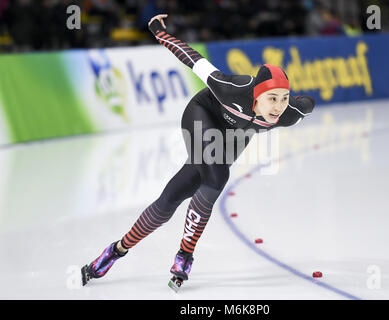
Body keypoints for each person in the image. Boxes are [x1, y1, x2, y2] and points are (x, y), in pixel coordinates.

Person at [81, 14, 315, 290]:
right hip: (201, 115)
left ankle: (115, 251)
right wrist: (159, 32)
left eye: (284, 99)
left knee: (169, 202)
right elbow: (193, 60)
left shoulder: (288, 114)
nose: (278, 107)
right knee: (216, 176)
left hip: (234, 137)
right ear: (256, 96)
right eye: (272, 99)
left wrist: (301, 103)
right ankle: (185, 256)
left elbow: (307, 103)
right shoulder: (231, 88)